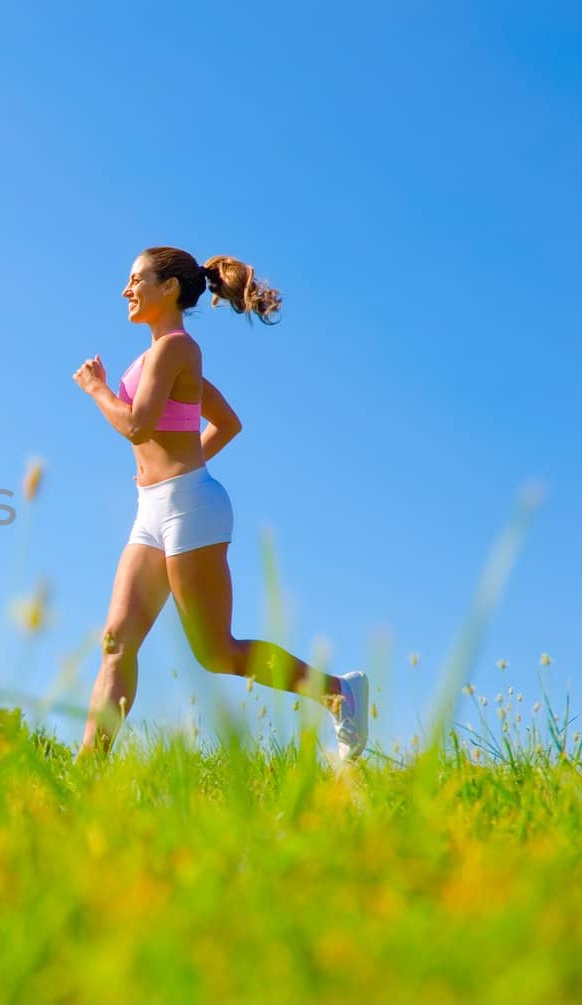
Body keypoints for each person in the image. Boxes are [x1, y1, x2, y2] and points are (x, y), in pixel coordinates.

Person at [70, 247, 367, 760]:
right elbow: (225, 423)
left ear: (168, 288)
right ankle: (86, 769)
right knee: (116, 641)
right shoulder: (154, 358)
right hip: (152, 508)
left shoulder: (178, 349)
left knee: (216, 652)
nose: (126, 289)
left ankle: (341, 692)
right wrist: (173, 469)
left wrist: (97, 389)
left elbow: (137, 425)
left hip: (189, 508)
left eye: (136, 279)